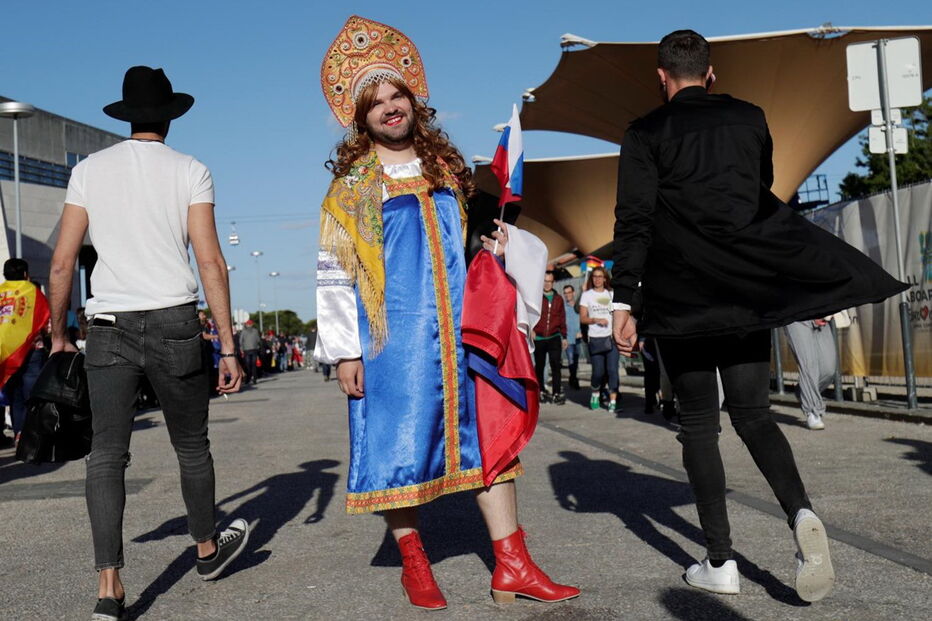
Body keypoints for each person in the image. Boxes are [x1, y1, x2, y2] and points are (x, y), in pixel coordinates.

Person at [611, 30, 907, 602]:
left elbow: (634, 219)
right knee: (754, 415)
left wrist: (627, 299)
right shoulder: (748, 118)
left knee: (699, 424)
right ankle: (799, 514)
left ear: (661, 77)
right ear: (712, 73)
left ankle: (720, 561)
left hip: (681, 299)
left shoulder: (644, 132)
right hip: (743, 290)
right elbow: (758, 188)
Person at [314, 15, 578, 610]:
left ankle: (513, 563)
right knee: (395, 447)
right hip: (393, 342)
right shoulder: (352, 188)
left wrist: (498, 250)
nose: (388, 107)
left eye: (396, 94)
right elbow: (335, 274)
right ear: (361, 117)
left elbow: (468, 243)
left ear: (413, 99)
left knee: (489, 441)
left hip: (463, 331)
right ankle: (414, 561)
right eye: (375, 102)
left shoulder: (450, 172)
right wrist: (344, 351)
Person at [47, 65, 250, 621]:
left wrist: (60, 335)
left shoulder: (89, 171)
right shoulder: (191, 170)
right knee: (191, 446)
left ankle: (109, 588)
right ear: (169, 118)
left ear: (125, 116)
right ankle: (207, 549)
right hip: (174, 323)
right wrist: (229, 345)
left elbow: (63, 261)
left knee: (106, 456)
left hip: (107, 328)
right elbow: (210, 260)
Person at [0, 258, 50, 446]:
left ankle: (19, 433)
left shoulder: (1, 292)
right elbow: (46, 319)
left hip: (7, 352)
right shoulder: (32, 292)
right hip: (32, 351)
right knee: (33, 393)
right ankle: (33, 433)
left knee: (15, 396)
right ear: (25, 274)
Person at [579, 267, 620, 414]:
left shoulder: (611, 294)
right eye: (595, 276)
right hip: (595, 339)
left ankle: (613, 400)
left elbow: (618, 315)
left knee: (612, 371)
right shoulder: (587, 295)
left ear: (605, 279)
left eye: (600, 276)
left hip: (611, 339)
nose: (597, 279)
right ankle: (595, 393)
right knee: (598, 372)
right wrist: (595, 319)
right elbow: (582, 318)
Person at [784, 318, 838, 430]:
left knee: (829, 369)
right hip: (796, 316)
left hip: (820, 312)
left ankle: (802, 391)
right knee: (809, 366)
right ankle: (813, 411)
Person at [533, 272, 567, 404]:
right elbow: (531, 314)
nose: (547, 283)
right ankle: (540, 390)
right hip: (539, 337)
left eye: (550, 281)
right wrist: (531, 330)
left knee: (556, 365)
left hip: (554, 336)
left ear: (553, 283)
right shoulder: (536, 297)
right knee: (539, 366)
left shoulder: (558, 299)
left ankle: (556, 392)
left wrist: (564, 336)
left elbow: (562, 318)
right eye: (545, 281)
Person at [562, 284, 582, 390]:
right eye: (565, 293)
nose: (567, 295)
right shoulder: (563, 307)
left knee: (576, 359)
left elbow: (583, 319)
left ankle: (572, 378)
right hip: (568, 338)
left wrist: (582, 332)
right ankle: (574, 380)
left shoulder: (578, 307)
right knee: (570, 360)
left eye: (569, 292)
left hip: (578, 338)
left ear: (573, 293)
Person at [240, 319, 261, 384]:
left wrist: (242, 349)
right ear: (252, 324)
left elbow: (241, 341)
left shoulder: (243, 332)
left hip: (246, 350)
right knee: (253, 365)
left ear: (247, 324)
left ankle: (248, 379)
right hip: (254, 349)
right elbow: (258, 340)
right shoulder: (255, 331)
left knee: (248, 365)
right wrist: (258, 347)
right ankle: (254, 378)